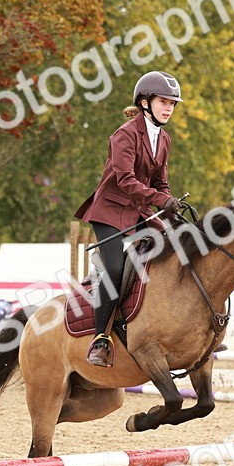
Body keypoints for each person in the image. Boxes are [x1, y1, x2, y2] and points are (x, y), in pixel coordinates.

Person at [73, 70, 183, 367]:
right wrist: (160, 199)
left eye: (172, 104)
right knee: (114, 269)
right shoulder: (125, 134)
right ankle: (100, 338)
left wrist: (169, 204)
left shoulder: (164, 139)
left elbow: (160, 183)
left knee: (178, 250)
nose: (169, 109)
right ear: (145, 103)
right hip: (110, 209)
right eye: (163, 102)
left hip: (139, 210)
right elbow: (125, 180)